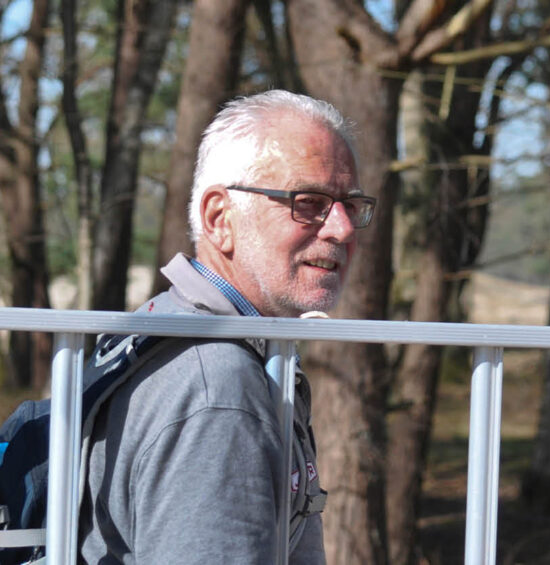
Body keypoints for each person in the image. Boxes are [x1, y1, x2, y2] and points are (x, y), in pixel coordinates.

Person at [80, 90, 371, 564]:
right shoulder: (217, 387)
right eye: (309, 202)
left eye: (350, 206)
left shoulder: (166, 323)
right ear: (220, 219)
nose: (342, 229)